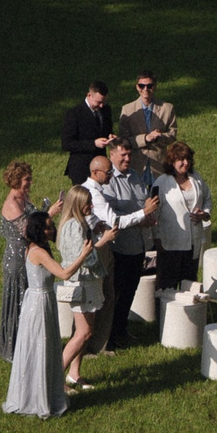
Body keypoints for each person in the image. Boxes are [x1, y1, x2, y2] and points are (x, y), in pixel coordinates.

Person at [4, 207, 95, 418]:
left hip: (41, 300)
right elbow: (64, 273)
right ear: (39, 230)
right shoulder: (39, 252)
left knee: (44, 347)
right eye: (48, 227)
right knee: (40, 347)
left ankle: (43, 393)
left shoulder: (36, 248)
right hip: (39, 303)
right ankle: (37, 398)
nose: (52, 229)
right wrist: (83, 255)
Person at [89, 142, 160, 350]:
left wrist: (147, 216)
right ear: (111, 154)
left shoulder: (135, 176)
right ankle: (108, 337)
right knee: (115, 294)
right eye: (123, 155)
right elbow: (112, 218)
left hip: (138, 245)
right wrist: (141, 216)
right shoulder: (107, 181)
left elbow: (142, 204)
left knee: (130, 291)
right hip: (119, 247)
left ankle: (121, 330)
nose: (127, 159)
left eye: (129, 155)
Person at [53, 181, 108, 391]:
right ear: (77, 204)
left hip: (88, 283)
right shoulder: (73, 226)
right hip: (81, 283)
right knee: (83, 332)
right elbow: (85, 258)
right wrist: (103, 241)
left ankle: (74, 374)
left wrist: (96, 233)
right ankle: (56, 378)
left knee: (86, 330)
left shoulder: (79, 223)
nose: (91, 206)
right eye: (87, 203)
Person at [152, 143, 211, 292]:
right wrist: (157, 238)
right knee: (167, 285)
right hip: (170, 244)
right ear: (172, 161)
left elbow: (207, 198)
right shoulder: (162, 182)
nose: (186, 163)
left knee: (189, 282)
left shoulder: (196, 178)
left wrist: (205, 214)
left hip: (193, 242)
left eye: (188, 159)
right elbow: (153, 213)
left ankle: (189, 306)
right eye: (181, 159)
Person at [0, 160, 36, 360]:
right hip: (16, 259)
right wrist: (50, 213)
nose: (30, 182)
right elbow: (28, 231)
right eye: (26, 179)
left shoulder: (24, 197)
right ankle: (12, 347)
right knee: (17, 300)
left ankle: (28, 341)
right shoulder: (12, 203)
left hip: (28, 255)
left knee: (27, 298)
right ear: (16, 180)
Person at [118, 71, 179, 172]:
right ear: (137, 87)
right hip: (136, 164)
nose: (145, 89)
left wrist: (159, 137)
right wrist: (145, 138)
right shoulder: (127, 110)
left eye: (149, 86)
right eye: (141, 86)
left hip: (159, 164)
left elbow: (172, 135)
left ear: (155, 87)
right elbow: (123, 139)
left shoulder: (167, 108)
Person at [59, 81, 116, 187]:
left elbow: (107, 130)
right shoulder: (74, 113)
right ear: (89, 95)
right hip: (82, 168)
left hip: (101, 168)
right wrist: (93, 144)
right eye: (98, 102)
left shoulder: (106, 110)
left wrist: (110, 136)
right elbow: (67, 144)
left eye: (103, 101)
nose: (101, 105)